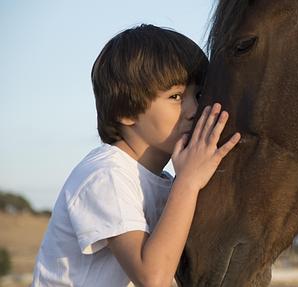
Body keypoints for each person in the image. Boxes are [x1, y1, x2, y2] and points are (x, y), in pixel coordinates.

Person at [31, 24, 241, 287]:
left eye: (198, 95)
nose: (194, 110)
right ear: (126, 112)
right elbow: (152, 277)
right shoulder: (106, 174)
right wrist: (187, 182)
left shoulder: (163, 182)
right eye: (176, 96)